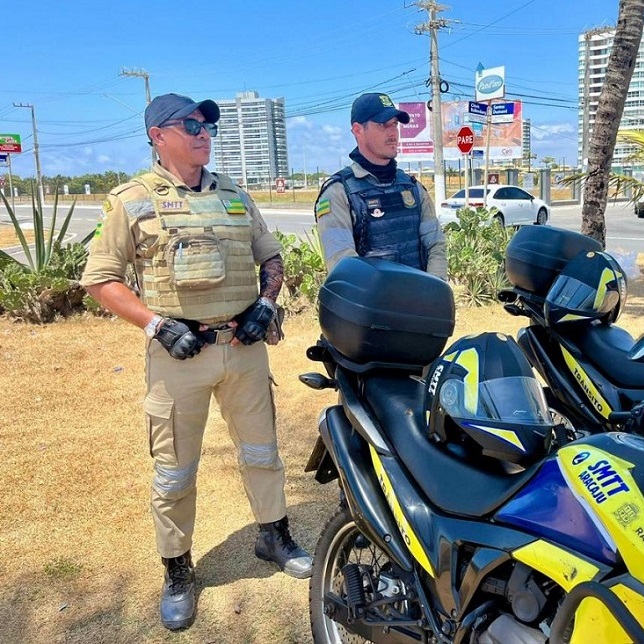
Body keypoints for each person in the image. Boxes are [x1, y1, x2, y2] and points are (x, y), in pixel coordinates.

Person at [80, 93, 312, 631]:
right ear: (158, 135)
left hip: (244, 351)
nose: (203, 131)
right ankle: (178, 569)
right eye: (189, 124)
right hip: (177, 357)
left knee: (263, 452)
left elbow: (271, 257)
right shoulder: (132, 200)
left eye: (207, 123)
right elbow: (100, 279)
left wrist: (266, 304)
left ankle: (272, 535)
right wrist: (156, 325)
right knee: (175, 471)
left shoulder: (235, 195)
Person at [314, 92, 447, 279]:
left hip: (420, 304)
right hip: (370, 306)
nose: (393, 133)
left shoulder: (413, 188)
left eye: (395, 124)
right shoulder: (338, 193)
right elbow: (343, 265)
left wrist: (433, 290)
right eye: (384, 125)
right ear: (358, 130)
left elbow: (436, 245)